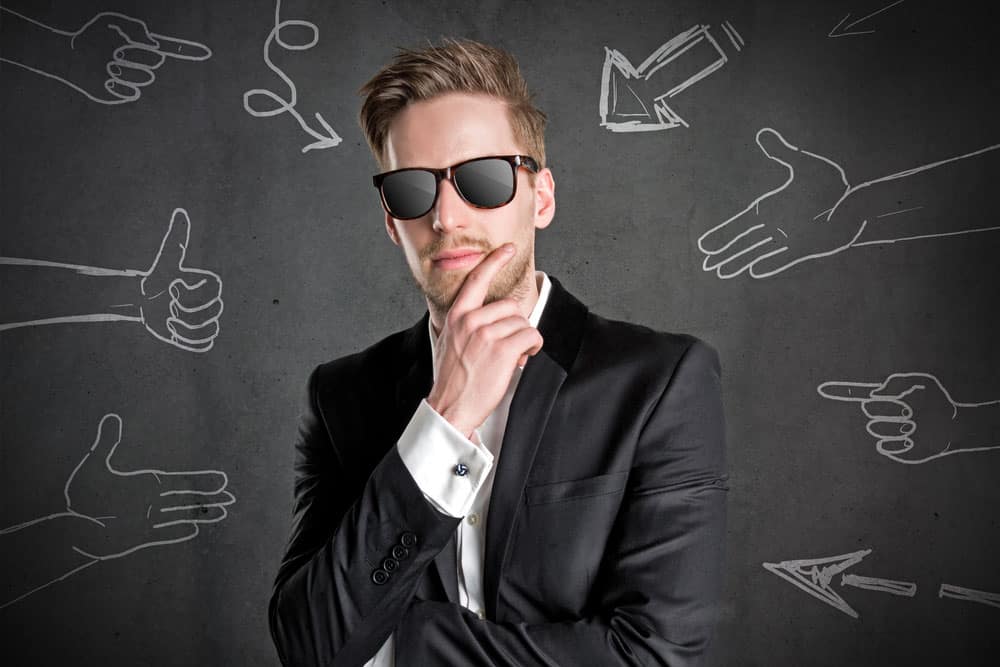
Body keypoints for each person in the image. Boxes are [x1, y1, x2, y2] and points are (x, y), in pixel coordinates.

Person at [268, 38, 729, 667]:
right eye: (412, 190)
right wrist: (444, 420)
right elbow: (310, 645)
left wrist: (399, 646)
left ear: (540, 197)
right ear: (389, 219)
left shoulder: (660, 383)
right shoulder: (341, 397)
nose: (446, 217)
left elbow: (655, 655)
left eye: (481, 180)